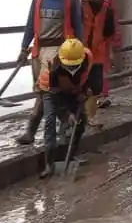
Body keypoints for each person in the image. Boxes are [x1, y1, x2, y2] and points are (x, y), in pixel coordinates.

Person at [16, 0, 84, 145]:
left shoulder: (71, 0)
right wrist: (24, 48)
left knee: (47, 91)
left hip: (59, 52)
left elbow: (79, 27)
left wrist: (81, 51)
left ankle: (32, 130)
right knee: (43, 91)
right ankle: (67, 125)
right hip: (39, 51)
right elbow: (30, 25)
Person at [36, 38, 93, 178]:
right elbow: (56, 97)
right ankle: (49, 164)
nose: (71, 68)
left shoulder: (88, 58)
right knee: (50, 121)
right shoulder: (54, 67)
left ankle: (71, 155)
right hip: (50, 90)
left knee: (80, 122)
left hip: (72, 89)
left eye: (75, 65)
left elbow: (87, 78)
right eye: (69, 65)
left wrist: (84, 92)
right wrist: (67, 114)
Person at [78, 0, 121, 107]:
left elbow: (112, 26)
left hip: (98, 48)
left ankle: (93, 107)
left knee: (97, 81)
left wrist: (114, 45)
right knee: (81, 80)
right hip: (81, 49)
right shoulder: (79, 1)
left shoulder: (107, 5)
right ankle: (80, 108)